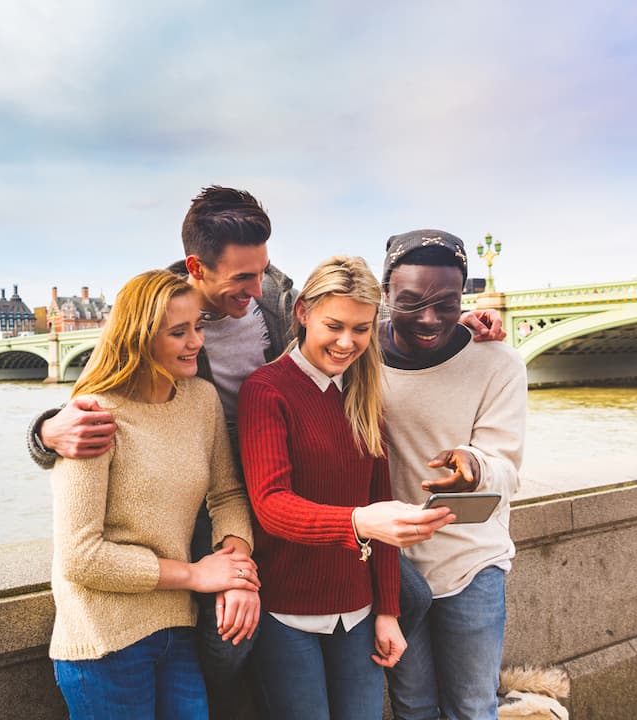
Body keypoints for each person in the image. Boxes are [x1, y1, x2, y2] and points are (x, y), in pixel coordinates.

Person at [27, 186, 506, 718]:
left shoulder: (277, 297)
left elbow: (341, 318)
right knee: (229, 632)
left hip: (252, 475)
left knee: (407, 596)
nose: (256, 290)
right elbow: (109, 383)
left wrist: (437, 321)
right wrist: (46, 430)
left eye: (263, 271)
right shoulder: (161, 310)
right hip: (207, 486)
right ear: (197, 268)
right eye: (242, 278)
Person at [237, 256, 454, 720]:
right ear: (302, 313)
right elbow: (272, 507)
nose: (346, 342)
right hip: (286, 614)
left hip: (358, 611)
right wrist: (358, 522)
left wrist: (388, 611)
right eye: (334, 325)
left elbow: (384, 512)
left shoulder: (364, 396)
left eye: (361, 329)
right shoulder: (266, 390)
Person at [49, 269, 259, 719]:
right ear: (140, 338)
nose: (196, 343)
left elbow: (227, 495)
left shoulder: (202, 400)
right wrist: (196, 576)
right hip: (104, 640)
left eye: (198, 327)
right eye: (178, 332)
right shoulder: (94, 414)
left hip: (177, 629)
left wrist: (235, 567)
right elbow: (80, 556)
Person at [378, 230, 527, 720]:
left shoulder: (498, 361)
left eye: (446, 303)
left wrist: (474, 466)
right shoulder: (356, 359)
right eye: (411, 302)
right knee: (412, 708)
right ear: (384, 295)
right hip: (393, 566)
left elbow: (506, 466)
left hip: (472, 563)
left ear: (463, 296)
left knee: (472, 708)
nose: (428, 318)